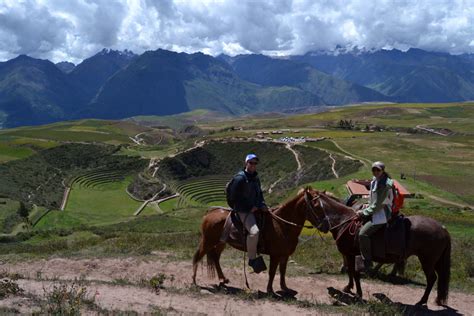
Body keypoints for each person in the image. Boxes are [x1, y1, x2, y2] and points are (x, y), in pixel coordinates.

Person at [227, 153, 267, 273]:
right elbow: (234, 197)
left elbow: (259, 194)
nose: (253, 165)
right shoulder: (239, 178)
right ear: (246, 163)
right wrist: (250, 208)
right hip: (243, 210)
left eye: (255, 163)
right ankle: (252, 258)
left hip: (256, 207)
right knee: (254, 232)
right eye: (251, 163)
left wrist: (262, 204)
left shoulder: (255, 178)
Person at [357, 161, 394, 270]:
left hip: (381, 214)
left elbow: (379, 205)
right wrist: (366, 205)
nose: (375, 172)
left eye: (378, 170)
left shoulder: (385, 184)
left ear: (383, 170)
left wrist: (365, 212)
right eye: (374, 169)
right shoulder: (375, 181)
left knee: (362, 234)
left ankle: (367, 263)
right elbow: (372, 200)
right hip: (374, 210)